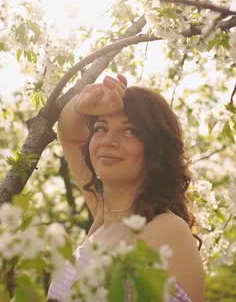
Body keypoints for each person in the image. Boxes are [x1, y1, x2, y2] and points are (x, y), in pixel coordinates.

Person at [47, 74, 205, 302]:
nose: (109, 140)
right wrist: (83, 103)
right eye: (100, 128)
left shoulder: (165, 229)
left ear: (156, 148)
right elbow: (69, 133)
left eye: (130, 130)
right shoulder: (103, 218)